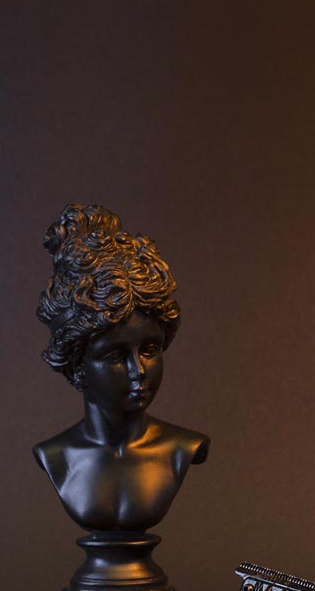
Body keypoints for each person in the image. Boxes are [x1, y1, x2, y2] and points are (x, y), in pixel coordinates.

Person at [33, 204, 208, 535]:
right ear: (77, 364)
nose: (137, 370)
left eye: (150, 350)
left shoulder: (182, 448)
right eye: (115, 355)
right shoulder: (56, 456)